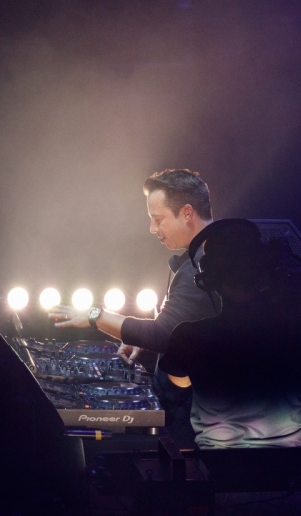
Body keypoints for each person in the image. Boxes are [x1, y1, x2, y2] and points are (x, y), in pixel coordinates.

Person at [48, 169, 221, 444]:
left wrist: (95, 315)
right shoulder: (205, 261)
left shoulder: (201, 267)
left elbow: (162, 333)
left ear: (187, 213)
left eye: (158, 219)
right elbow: (186, 338)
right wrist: (149, 349)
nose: (152, 228)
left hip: (200, 429)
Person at [157, 219, 301, 449]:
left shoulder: (189, 337)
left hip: (219, 466)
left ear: (209, 278)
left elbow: (177, 385)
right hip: (294, 466)